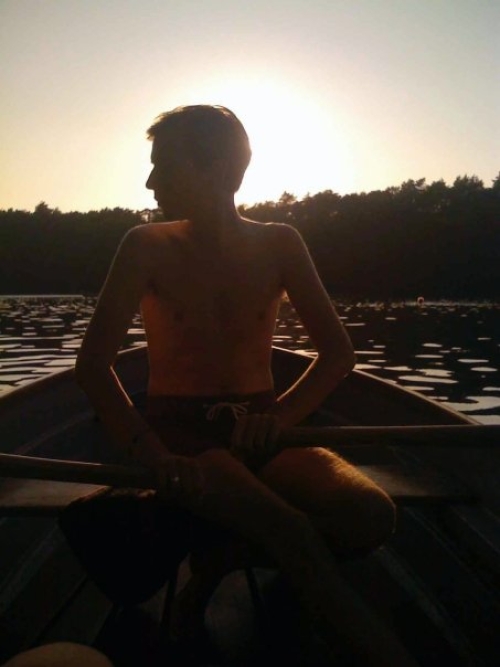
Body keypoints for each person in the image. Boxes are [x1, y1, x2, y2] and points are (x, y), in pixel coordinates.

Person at [75, 105, 415, 666]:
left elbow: (338, 355)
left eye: (163, 165)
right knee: (293, 532)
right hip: (183, 440)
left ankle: (218, 563)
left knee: (371, 516)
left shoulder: (280, 242)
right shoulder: (143, 245)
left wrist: (278, 419)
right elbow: (92, 367)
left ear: (216, 168)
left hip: (261, 431)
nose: (150, 182)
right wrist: (152, 453)